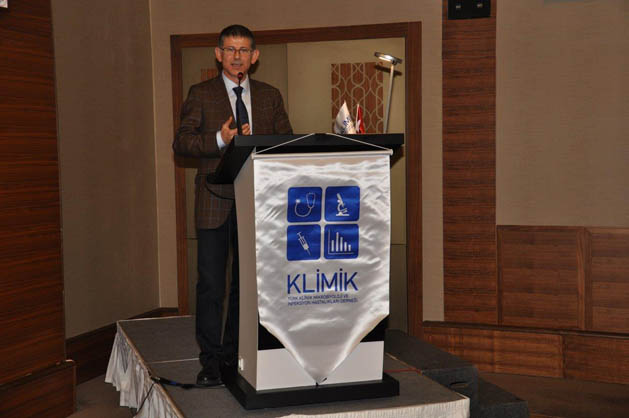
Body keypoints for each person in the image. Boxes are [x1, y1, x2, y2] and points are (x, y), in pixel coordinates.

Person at [173, 24, 292, 386]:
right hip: (214, 201)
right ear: (218, 54)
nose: (236, 56)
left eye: (243, 50)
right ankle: (210, 361)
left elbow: (286, 143)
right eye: (230, 50)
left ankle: (234, 353)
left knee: (246, 285)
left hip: (256, 202)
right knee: (211, 285)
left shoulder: (270, 96)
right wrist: (220, 139)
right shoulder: (201, 93)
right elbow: (182, 143)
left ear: (254, 57)